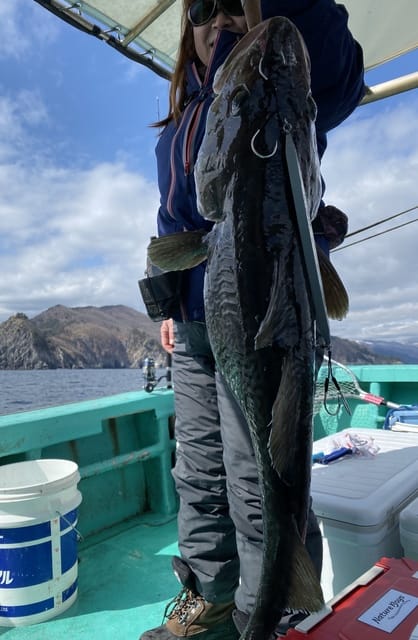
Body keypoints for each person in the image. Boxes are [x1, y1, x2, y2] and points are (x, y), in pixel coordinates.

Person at [140, 1, 365, 639]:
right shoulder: (182, 124)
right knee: (199, 474)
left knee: (259, 479)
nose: (217, 19)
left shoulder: (284, 87)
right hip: (194, 327)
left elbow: (338, 69)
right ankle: (210, 597)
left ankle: (271, 615)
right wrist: (170, 306)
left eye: (229, 3)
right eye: (200, 9)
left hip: (270, 321)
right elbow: (173, 223)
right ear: (188, 34)